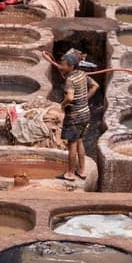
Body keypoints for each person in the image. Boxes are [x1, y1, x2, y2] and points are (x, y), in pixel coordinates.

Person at [56, 48, 98, 182]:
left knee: (72, 144)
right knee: (80, 141)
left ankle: (69, 173)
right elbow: (95, 86)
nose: (61, 67)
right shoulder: (82, 74)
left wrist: (61, 106)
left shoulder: (70, 80)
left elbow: (69, 97)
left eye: (63, 65)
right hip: (85, 113)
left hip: (74, 116)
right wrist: (85, 99)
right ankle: (82, 171)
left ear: (71, 66)